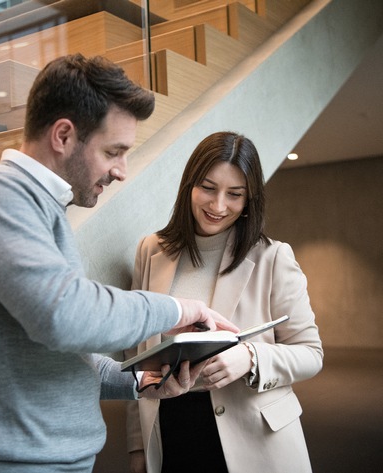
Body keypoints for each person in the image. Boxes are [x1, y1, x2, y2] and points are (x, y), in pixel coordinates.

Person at [0, 54, 238, 473]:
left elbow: (62, 348)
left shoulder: (41, 208)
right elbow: (65, 316)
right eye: (114, 151)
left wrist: (138, 381)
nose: (121, 170)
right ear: (63, 135)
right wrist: (179, 309)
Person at [125, 131, 324, 473]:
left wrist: (250, 357)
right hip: (169, 428)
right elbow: (135, 354)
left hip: (253, 438)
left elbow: (311, 353)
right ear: (189, 185)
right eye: (208, 188)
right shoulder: (150, 250)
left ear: (250, 200)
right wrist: (137, 445)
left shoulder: (273, 257)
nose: (218, 206)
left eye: (235, 195)